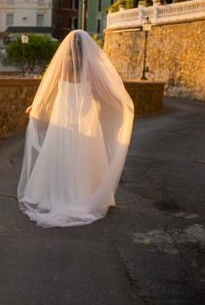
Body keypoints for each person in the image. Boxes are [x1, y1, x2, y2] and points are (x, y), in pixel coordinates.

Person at [17, 29, 135, 228]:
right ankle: (83, 194)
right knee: (84, 155)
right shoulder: (90, 66)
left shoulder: (62, 64)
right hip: (85, 117)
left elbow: (48, 90)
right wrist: (123, 104)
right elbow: (104, 92)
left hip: (62, 115)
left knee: (60, 153)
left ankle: (57, 192)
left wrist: (35, 106)